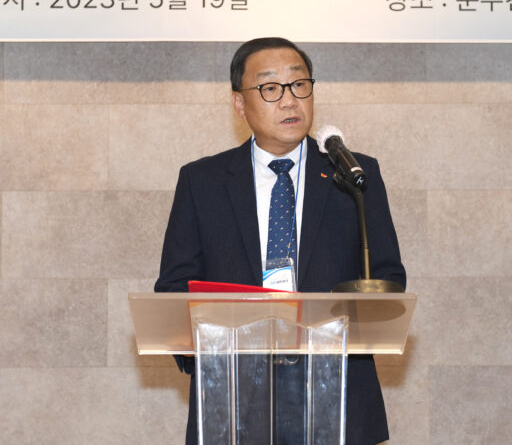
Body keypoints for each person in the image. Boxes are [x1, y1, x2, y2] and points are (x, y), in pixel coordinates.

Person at [155, 37, 406, 445]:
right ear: (240, 103)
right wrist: (199, 343)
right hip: (233, 398)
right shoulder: (202, 182)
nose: (290, 100)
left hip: (338, 398)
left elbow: (387, 276)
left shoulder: (354, 175)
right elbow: (173, 288)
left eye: (299, 84)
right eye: (271, 88)